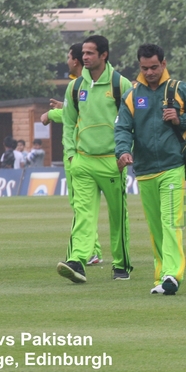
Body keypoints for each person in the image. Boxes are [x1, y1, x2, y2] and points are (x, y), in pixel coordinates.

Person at [115, 43, 186, 295]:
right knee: (155, 226)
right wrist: (123, 151)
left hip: (172, 167)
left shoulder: (180, 89)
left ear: (164, 64)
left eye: (154, 67)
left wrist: (181, 119)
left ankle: (172, 275)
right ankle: (161, 276)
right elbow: (123, 128)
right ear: (140, 66)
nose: (150, 72)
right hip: (144, 170)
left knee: (170, 222)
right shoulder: (132, 95)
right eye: (145, 68)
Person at [57, 35, 133, 284]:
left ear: (104, 55)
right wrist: (71, 154)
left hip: (112, 162)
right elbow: (68, 122)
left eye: (90, 53)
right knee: (83, 214)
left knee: (117, 216)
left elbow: (133, 123)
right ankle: (77, 261)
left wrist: (125, 152)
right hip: (83, 162)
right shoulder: (75, 86)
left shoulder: (121, 84)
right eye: (84, 53)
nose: (85, 57)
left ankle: (121, 264)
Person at [40, 43, 104, 265]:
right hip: (77, 153)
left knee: (81, 205)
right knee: (81, 205)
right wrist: (62, 106)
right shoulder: (76, 86)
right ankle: (93, 249)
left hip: (80, 154)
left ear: (75, 61)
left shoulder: (86, 84)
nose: (67, 60)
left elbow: (73, 117)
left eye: (69, 57)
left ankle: (89, 252)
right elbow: (73, 112)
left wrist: (50, 114)